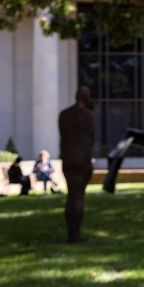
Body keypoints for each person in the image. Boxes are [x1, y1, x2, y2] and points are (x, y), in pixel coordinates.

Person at [59, 87, 95, 243]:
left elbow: (63, 138)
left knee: (71, 195)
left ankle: (71, 234)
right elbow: (88, 139)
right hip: (81, 158)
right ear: (86, 98)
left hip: (68, 158)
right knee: (78, 196)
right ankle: (75, 236)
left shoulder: (64, 115)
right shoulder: (89, 115)